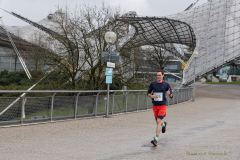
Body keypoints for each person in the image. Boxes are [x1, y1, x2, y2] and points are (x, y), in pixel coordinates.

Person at [147, 70, 173, 146]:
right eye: (157, 75)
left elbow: (171, 96)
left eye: (159, 75)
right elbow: (148, 93)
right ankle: (164, 125)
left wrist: (169, 94)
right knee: (158, 122)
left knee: (158, 121)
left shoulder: (166, 85)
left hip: (162, 105)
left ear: (163, 76)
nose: (158, 76)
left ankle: (156, 139)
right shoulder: (153, 84)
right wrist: (152, 96)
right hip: (155, 106)